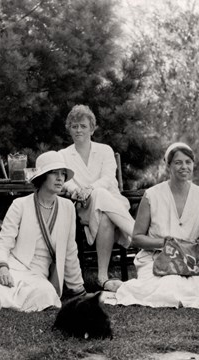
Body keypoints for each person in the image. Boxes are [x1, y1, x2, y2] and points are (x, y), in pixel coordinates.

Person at [0, 151, 86, 312]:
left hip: (38, 274)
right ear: (42, 177)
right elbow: (3, 243)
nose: (60, 178)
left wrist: (78, 288)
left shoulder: (68, 208)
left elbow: (70, 251)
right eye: (54, 173)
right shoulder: (20, 204)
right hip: (12, 265)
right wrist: (2, 268)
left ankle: (13, 298)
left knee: (46, 294)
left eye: (63, 174)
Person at [106, 143, 199, 309]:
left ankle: (124, 287)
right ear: (168, 165)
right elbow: (137, 238)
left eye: (188, 162)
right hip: (154, 259)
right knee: (169, 285)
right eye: (178, 162)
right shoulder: (152, 195)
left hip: (187, 261)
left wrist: (187, 246)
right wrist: (166, 243)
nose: (184, 167)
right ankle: (122, 288)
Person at [59, 105, 135, 292]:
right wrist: (78, 191)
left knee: (103, 205)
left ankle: (102, 277)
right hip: (84, 205)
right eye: (74, 126)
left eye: (83, 126)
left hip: (113, 202)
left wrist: (90, 189)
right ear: (69, 128)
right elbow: (65, 182)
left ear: (92, 129)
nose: (79, 130)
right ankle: (138, 236)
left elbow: (108, 179)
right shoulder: (63, 155)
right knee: (98, 197)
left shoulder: (105, 150)